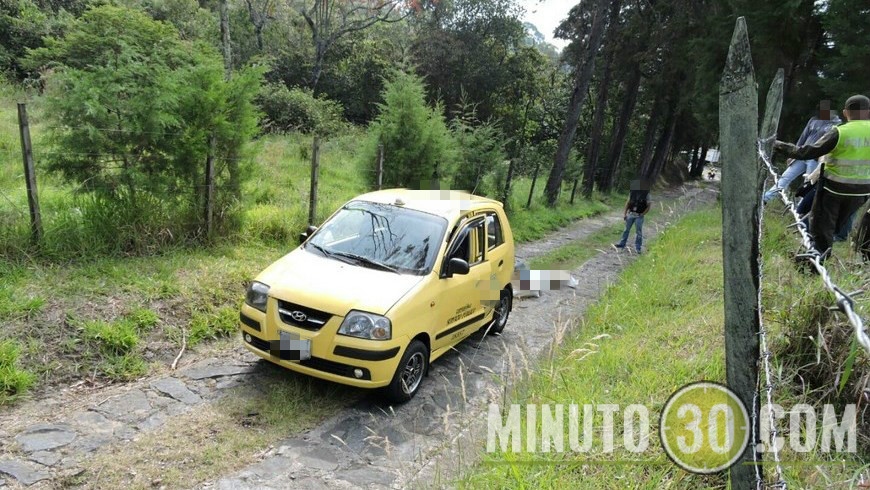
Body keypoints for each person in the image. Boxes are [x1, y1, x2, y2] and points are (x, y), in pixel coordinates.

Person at [774, 94, 870, 260]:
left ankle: (814, 264)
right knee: (835, 227)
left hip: (833, 189)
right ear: (868, 112)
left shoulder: (840, 132)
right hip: (860, 193)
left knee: (821, 229)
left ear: (846, 112)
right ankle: (814, 259)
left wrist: (777, 145)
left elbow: (807, 152)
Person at [763, 101, 841, 203]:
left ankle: (800, 209)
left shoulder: (836, 125)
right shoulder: (813, 120)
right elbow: (803, 137)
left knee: (808, 184)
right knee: (786, 177)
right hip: (801, 155)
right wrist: (793, 153)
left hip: (815, 159)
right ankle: (766, 198)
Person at [614, 178, 652, 254]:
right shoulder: (632, 193)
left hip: (639, 215)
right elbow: (628, 203)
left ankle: (638, 248)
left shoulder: (647, 195)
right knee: (626, 230)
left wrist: (642, 214)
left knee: (638, 232)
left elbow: (648, 206)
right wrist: (625, 214)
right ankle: (622, 244)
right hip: (631, 214)